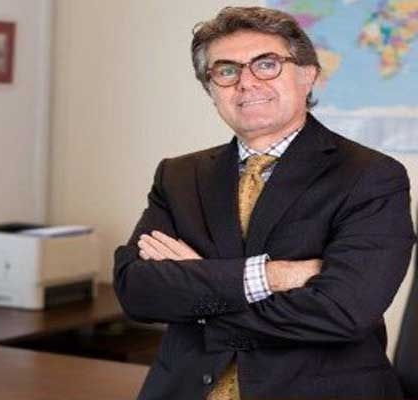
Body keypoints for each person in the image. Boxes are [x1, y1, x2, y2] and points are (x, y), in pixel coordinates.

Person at [113, 6, 415, 400]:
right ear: (211, 90)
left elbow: (343, 312)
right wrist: (270, 276)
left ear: (308, 75)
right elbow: (137, 291)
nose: (246, 82)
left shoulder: (371, 176)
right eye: (226, 71)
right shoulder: (179, 175)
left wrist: (199, 300)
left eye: (267, 64)